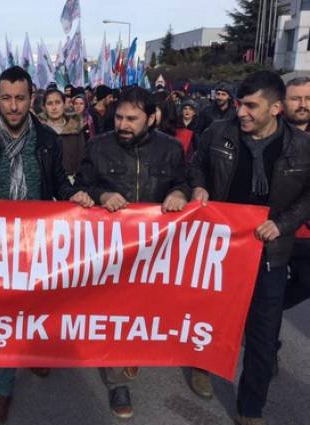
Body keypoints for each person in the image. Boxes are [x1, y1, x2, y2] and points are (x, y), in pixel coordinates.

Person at [0, 66, 93, 423]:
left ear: (32, 99)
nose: (13, 106)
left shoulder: (47, 139)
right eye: (6, 98)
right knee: (2, 315)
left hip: (38, 240)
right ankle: (2, 389)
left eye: (20, 98)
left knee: (37, 305)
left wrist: (74, 195)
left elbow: (58, 182)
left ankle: (34, 353)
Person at [189, 71, 310, 425]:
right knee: (211, 317)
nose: (241, 112)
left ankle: (250, 409)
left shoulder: (302, 147)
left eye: (251, 106)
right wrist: (198, 186)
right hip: (222, 248)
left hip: (270, 253)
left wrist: (283, 224)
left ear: (275, 109)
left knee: (264, 334)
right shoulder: (217, 133)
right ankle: (201, 364)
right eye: (240, 104)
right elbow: (196, 164)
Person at [76, 86, 190, 420]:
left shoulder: (171, 149)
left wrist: (180, 193)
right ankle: (117, 383)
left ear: (151, 118)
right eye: (119, 117)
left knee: (145, 309)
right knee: (114, 312)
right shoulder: (98, 146)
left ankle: (134, 350)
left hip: (156, 249)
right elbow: (80, 185)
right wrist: (101, 195)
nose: (123, 124)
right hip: (111, 250)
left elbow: (184, 180)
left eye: (132, 119)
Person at [274, 76, 310, 373]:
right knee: (270, 291)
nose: (302, 104)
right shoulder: (272, 135)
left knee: (305, 283)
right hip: (272, 230)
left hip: (305, 234)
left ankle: (260, 315)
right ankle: (267, 347)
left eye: (308, 99)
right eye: (296, 98)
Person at [38, 88, 85, 179]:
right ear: (44, 107)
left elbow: (81, 159)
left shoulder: (75, 128)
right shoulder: (38, 130)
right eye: (50, 103)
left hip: (71, 180)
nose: (54, 107)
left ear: (64, 104)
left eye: (58, 102)